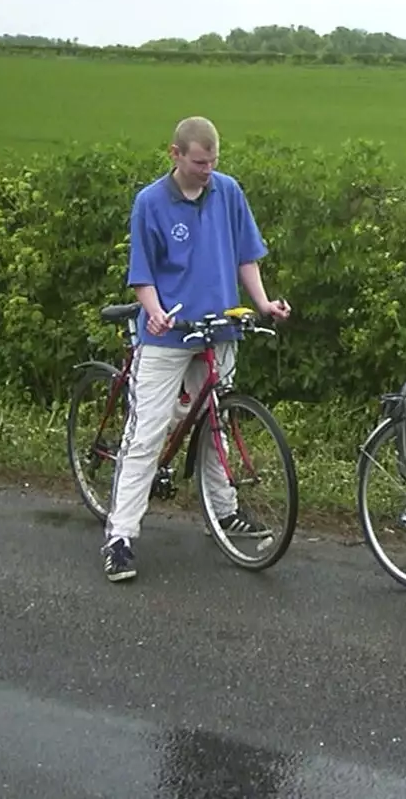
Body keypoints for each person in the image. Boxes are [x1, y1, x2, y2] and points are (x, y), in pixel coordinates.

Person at [102, 116, 291, 582]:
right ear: (176, 154)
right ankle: (120, 537)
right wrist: (155, 310)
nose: (208, 170)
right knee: (146, 433)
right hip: (167, 334)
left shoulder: (228, 192)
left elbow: (246, 255)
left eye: (214, 161)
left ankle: (223, 513)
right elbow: (142, 273)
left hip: (217, 328)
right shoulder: (150, 202)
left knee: (216, 422)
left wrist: (263, 302)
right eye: (200, 162)